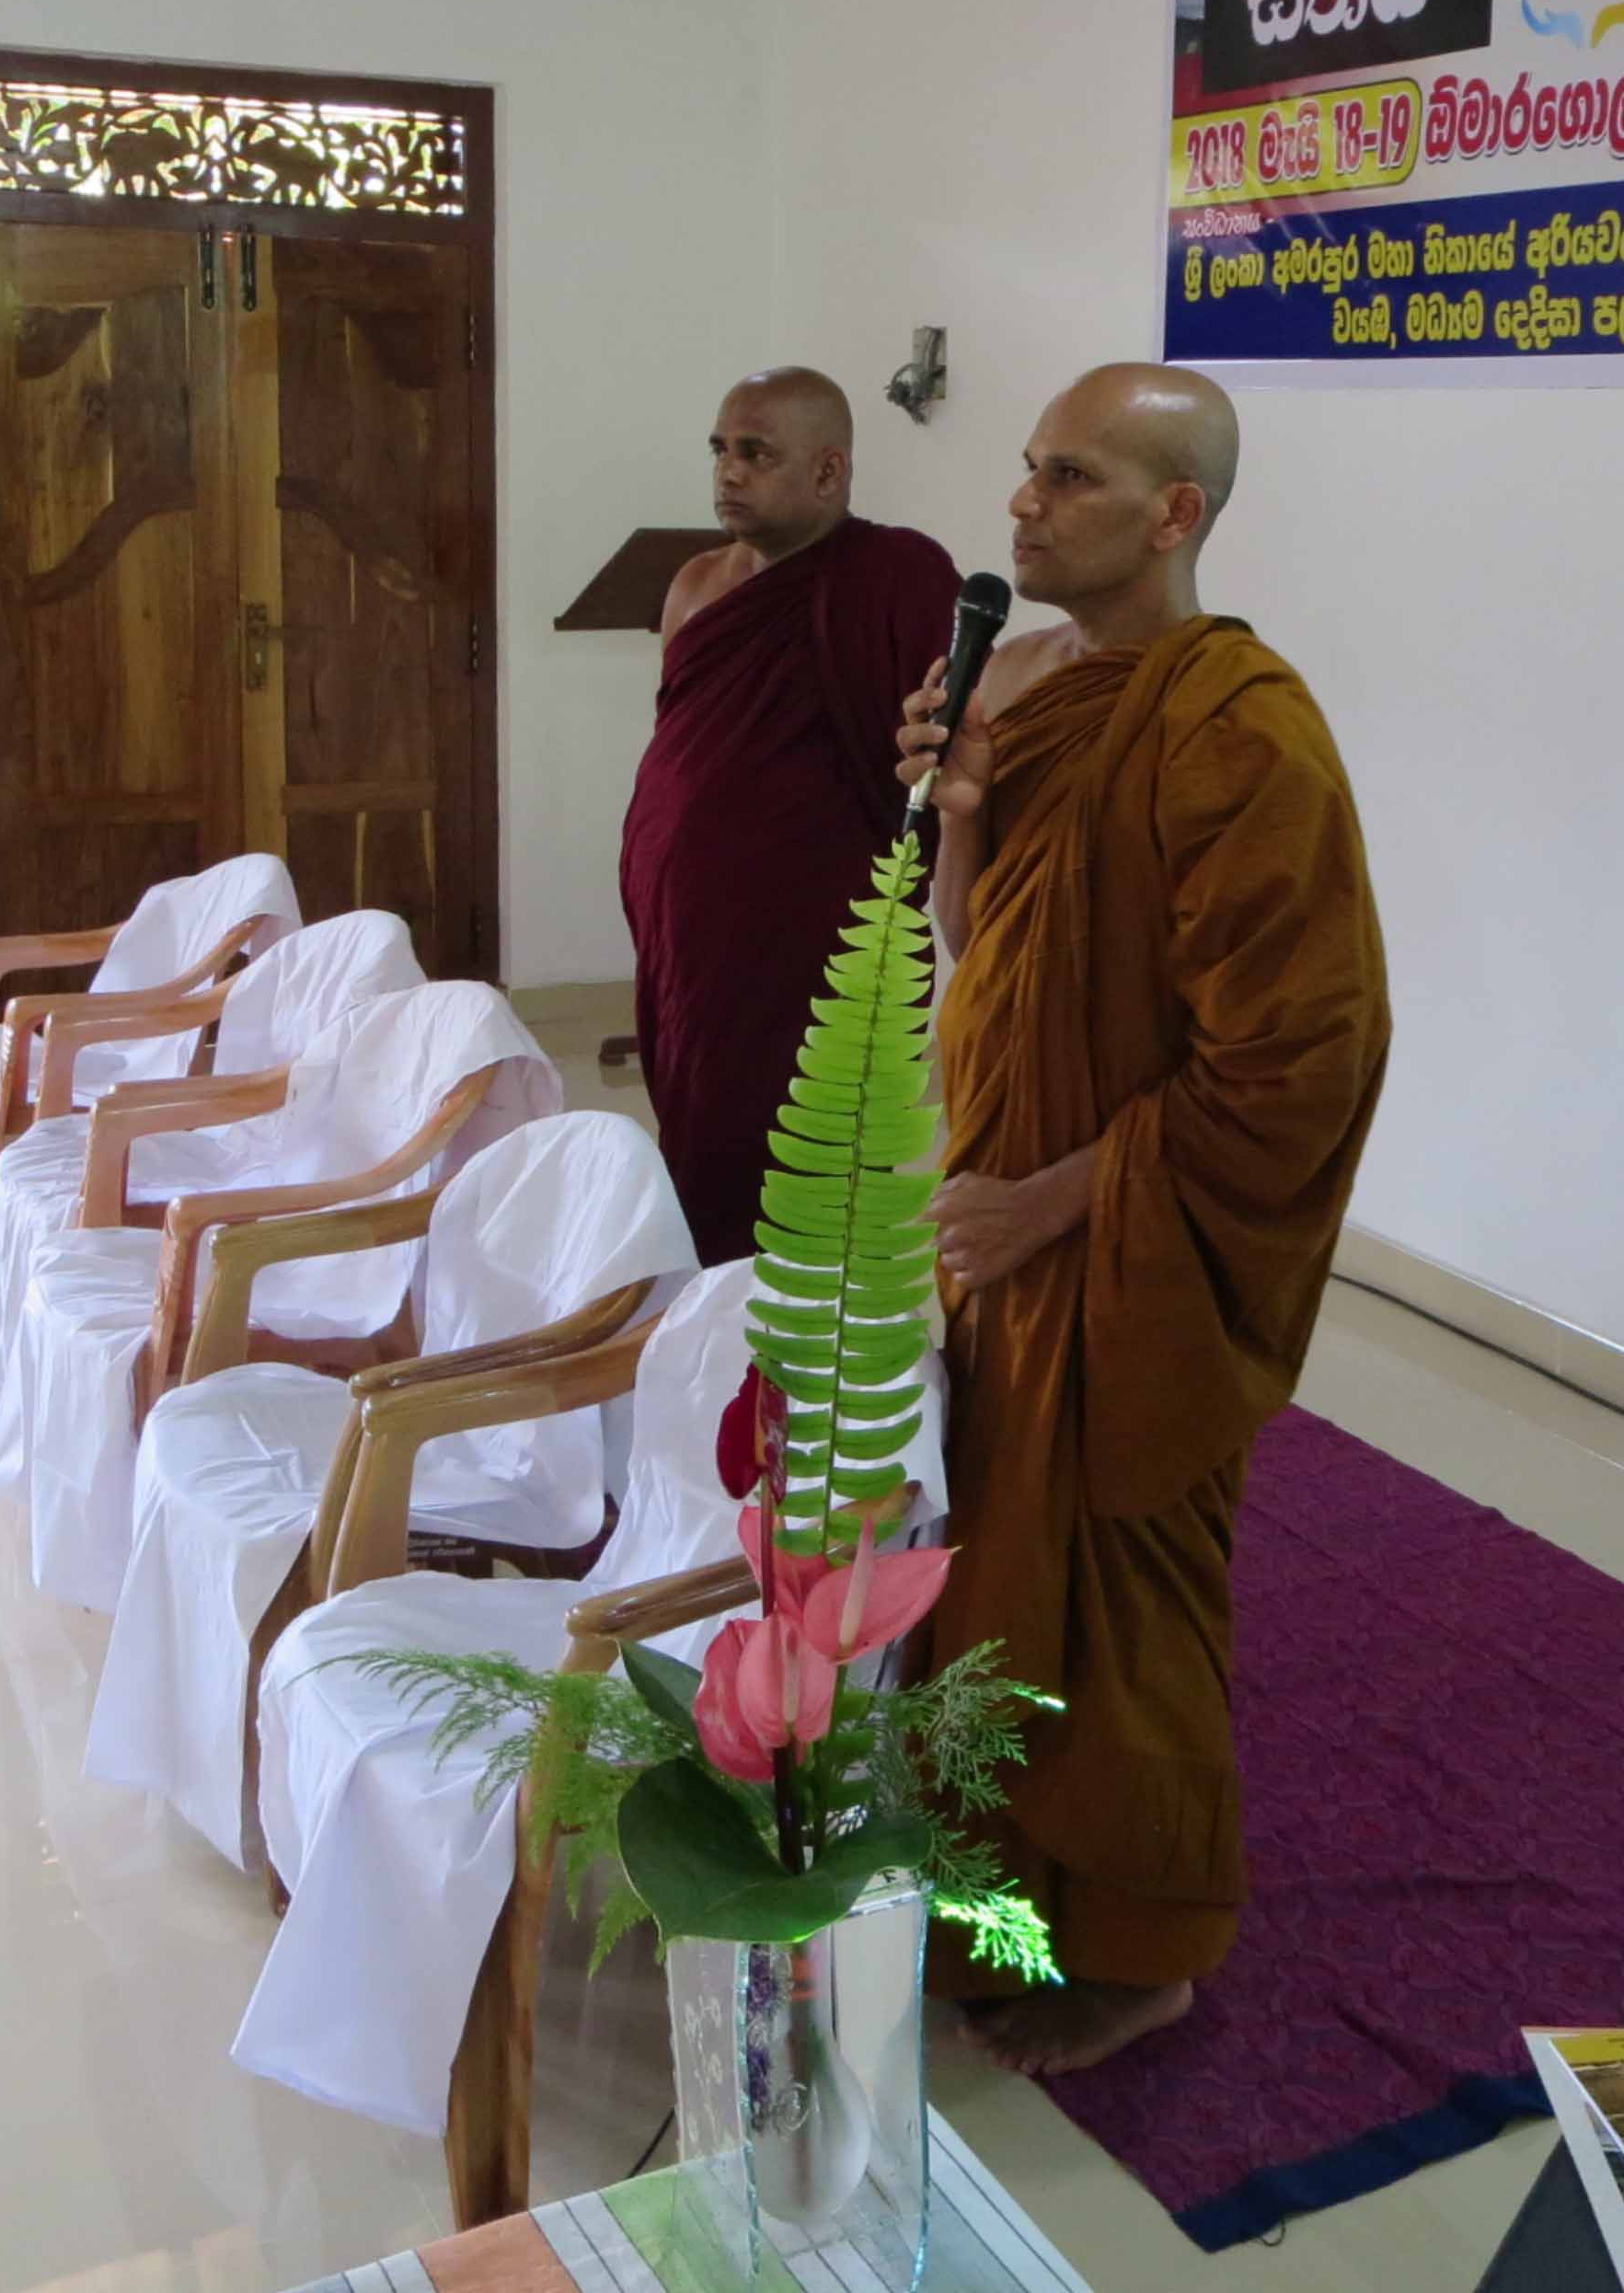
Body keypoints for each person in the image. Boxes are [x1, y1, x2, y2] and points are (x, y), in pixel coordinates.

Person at [895, 363, 1389, 2078]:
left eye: (1072, 480)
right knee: (995, 1564)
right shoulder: (1025, 684)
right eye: (1030, 470)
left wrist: (1049, 1205)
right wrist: (962, 818)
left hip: (1119, 1236)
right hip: (998, 1198)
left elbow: (1298, 1056)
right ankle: (1002, 1898)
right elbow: (983, 952)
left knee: (1122, 1585)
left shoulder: (1240, 729)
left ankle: (1142, 1949)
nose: (1023, 505)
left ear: (1174, 515)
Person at [620, 368, 961, 1263]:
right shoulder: (696, 583)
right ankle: (706, 1314)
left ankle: (784, 1323)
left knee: (804, 1153)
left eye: (756, 454)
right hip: (687, 927)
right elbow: (683, 737)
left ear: (828, 471)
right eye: (720, 451)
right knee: (698, 1121)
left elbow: (940, 750)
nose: (728, 472)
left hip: (818, 932)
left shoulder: (898, 575)